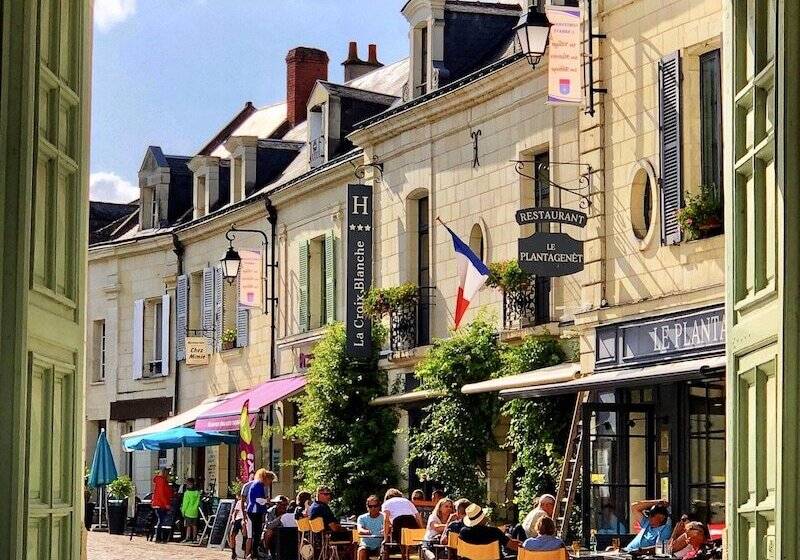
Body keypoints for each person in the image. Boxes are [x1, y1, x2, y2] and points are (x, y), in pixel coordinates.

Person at [246, 469, 273, 560]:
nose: (270, 483)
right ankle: (254, 553)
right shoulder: (258, 485)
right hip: (255, 511)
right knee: (256, 533)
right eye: (270, 480)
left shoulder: (258, 485)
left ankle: (254, 552)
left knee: (257, 533)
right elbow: (258, 500)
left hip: (256, 511)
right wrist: (267, 501)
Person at [357, 495, 385, 560]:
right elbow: (359, 529)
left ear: (379, 506)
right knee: (361, 550)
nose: (373, 508)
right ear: (367, 507)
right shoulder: (362, 518)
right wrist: (366, 531)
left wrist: (385, 530)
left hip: (380, 545)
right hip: (366, 545)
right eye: (370, 506)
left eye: (375, 506)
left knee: (385, 551)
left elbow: (388, 528)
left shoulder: (384, 517)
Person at [152, 468, 174, 543]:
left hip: (160, 503)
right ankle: (159, 537)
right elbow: (162, 494)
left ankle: (159, 538)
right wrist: (166, 504)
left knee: (161, 520)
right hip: (161, 504)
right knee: (162, 521)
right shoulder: (162, 481)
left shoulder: (162, 481)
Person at [180, 477, 201, 543]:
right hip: (195, 512)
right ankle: (194, 538)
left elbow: (185, 503)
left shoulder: (187, 493)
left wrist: (183, 511)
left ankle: (188, 537)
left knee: (188, 526)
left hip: (188, 512)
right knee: (194, 525)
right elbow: (198, 502)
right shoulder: (197, 493)